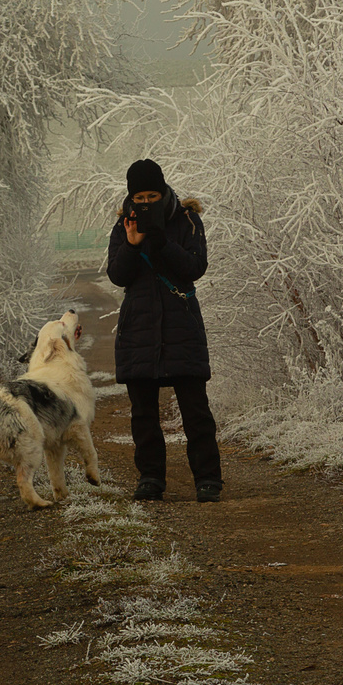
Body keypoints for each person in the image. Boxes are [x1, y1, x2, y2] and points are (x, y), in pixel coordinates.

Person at [106, 158, 223, 502]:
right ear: (131, 197)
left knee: (195, 410)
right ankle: (151, 478)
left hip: (181, 325)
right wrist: (131, 243)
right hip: (139, 329)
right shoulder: (123, 225)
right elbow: (117, 275)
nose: (145, 203)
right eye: (139, 197)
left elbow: (195, 267)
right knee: (143, 414)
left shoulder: (187, 220)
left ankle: (208, 479)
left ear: (163, 191)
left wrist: (159, 240)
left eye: (151, 195)